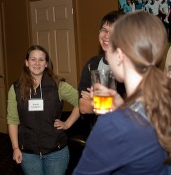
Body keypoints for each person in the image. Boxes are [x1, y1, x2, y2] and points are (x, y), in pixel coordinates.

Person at [73, 11, 171, 175]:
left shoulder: (114, 125)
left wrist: (118, 114)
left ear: (119, 56)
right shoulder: (162, 102)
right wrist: (122, 106)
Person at [7, 45, 80, 175]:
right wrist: (15, 148)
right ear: (26, 62)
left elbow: (80, 102)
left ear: (46, 64)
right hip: (28, 153)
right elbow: (13, 120)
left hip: (56, 152)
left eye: (41, 60)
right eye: (33, 59)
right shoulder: (16, 89)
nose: (37, 63)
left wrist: (67, 123)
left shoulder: (58, 85)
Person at [78, 11, 126, 133]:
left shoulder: (129, 66)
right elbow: (83, 106)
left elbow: (131, 107)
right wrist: (107, 103)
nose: (106, 36)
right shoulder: (91, 64)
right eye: (104, 30)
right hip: (98, 132)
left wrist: (95, 101)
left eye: (113, 32)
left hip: (124, 134)